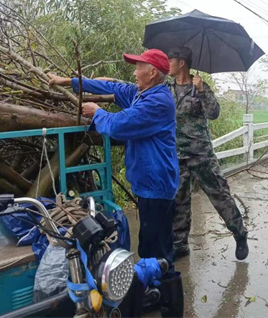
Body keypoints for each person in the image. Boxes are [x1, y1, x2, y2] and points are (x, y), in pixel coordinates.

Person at [47, 48, 183, 316]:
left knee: (158, 251)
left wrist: (97, 112)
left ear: (152, 72)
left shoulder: (158, 103)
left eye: (138, 67)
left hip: (157, 185)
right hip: (148, 183)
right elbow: (111, 85)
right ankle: (153, 296)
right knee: (149, 244)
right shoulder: (141, 93)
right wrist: (68, 81)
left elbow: (118, 125)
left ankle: (171, 306)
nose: (134, 72)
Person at [166, 47, 249, 261]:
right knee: (179, 202)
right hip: (178, 155)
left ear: (181, 62)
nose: (167, 63)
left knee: (220, 196)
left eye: (170, 59)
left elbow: (214, 113)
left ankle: (239, 233)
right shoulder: (167, 88)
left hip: (201, 154)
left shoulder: (199, 87)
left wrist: (202, 89)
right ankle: (180, 245)